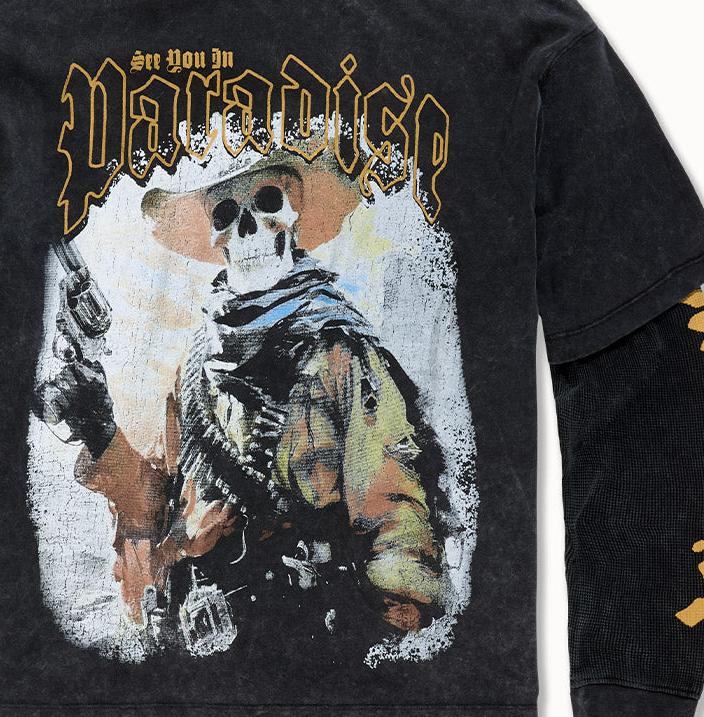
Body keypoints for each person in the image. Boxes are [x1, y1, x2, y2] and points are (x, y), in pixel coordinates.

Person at [34, 146, 447, 659]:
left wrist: (384, 648)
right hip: (205, 638)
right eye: (226, 214)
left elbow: (395, 516)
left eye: (266, 203)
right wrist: (101, 431)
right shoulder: (195, 365)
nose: (247, 229)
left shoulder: (342, 356)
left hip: (306, 645)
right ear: (217, 239)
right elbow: (159, 505)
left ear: (292, 218)